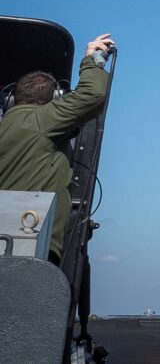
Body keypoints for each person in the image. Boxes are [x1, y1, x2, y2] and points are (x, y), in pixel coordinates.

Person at [0, 33, 114, 265]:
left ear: (13, 99)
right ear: (53, 99)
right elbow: (92, 94)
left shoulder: (8, 125)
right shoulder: (40, 120)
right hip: (30, 243)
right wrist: (93, 60)